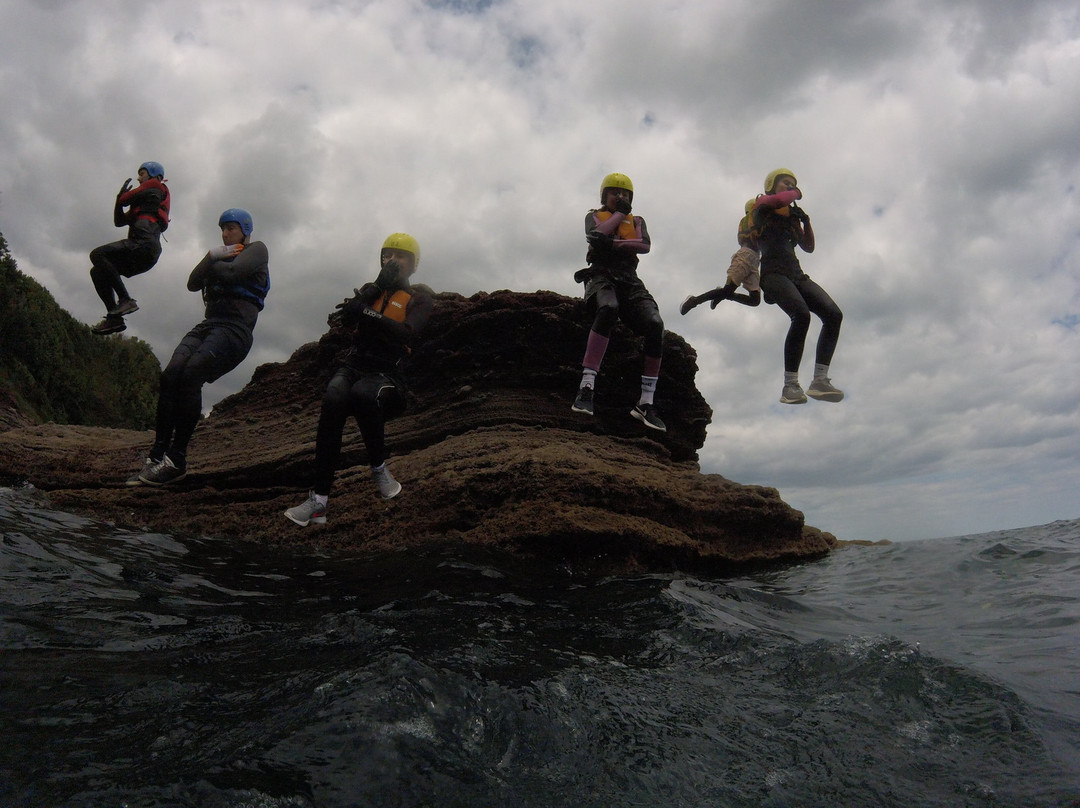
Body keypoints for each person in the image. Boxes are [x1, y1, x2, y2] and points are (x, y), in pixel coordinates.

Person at [285, 233, 434, 526]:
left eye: (400, 256)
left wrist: (365, 312)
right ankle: (318, 502)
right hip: (355, 363)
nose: (392, 260)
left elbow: (406, 333)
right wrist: (375, 290)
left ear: (413, 265)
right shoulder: (371, 290)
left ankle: (379, 469)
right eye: (387, 255)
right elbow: (347, 318)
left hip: (388, 371)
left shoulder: (420, 299)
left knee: (364, 395)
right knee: (334, 398)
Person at [131, 208, 270, 486]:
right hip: (209, 325)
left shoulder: (258, 250)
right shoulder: (218, 253)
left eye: (231, 228)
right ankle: (157, 455)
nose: (225, 233)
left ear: (244, 229)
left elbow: (232, 274)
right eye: (223, 229)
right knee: (171, 375)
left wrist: (214, 263)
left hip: (235, 330)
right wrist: (210, 256)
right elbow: (192, 283)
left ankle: (177, 459)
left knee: (192, 373)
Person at [571, 172, 666, 432]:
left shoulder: (638, 220)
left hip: (630, 279)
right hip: (601, 275)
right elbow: (596, 236)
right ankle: (586, 387)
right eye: (616, 193)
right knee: (608, 308)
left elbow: (645, 245)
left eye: (625, 194)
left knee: (655, 324)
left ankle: (646, 402)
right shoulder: (593, 215)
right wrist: (618, 219)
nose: (621, 197)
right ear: (605, 196)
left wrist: (612, 243)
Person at [754, 168, 843, 404]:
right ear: (772, 186)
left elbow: (808, 247)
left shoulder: (792, 217)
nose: (791, 187)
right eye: (786, 183)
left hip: (796, 274)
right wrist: (795, 193)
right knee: (801, 315)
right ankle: (790, 385)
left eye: (794, 184)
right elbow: (780, 199)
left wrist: (806, 221)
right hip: (773, 274)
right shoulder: (762, 204)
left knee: (833, 314)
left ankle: (819, 381)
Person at [89, 161, 171, 335]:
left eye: (142, 173)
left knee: (97, 254)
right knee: (97, 271)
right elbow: (119, 221)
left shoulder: (156, 185)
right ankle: (114, 319)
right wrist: (118, 201)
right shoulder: (143, 203)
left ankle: (125, 299)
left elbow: (126, 199)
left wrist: (121, 198)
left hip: (144, 243)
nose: (139, 178)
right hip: (144, 253)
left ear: (154, 174)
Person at [680, 198, 762, 314]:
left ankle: (721, 294)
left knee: (754, 300)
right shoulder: (752, 220)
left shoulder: (760, 220)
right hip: (745, 256)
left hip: (755, 259)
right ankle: (695, 300)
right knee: (728, 289)